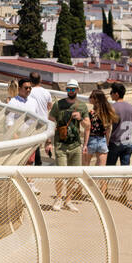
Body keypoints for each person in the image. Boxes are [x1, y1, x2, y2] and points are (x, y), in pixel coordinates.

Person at [44, 78, 89, 211]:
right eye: (68, 89)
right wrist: (48, 142)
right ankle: (58, 198)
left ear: (77, 90)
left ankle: (68, 200)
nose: (70, 91)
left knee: (73, 174)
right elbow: (50, 122)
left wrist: (80, 118)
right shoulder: (58, 105)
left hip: (75, 145)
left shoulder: (82, 106)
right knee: (60, 173)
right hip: (60, 145)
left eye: (73, 89)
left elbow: (87, 125)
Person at [106, 82, 132, 166]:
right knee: (125, 171)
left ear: (116, 94)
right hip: (128, 142)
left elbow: (108, 126)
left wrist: (106, 142)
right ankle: (125, 180)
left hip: (115, 142)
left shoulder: (113, 107)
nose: (111, 94)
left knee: (109, 169)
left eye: (111, 92)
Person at [84, 87, 116, 168]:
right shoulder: (107, 113)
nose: (89, 98)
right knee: (100, 170)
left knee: (85, 166)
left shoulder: (90, 113)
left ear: (96, 99)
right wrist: (107, 142)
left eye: (91, 97)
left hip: (91, 139)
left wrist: (85, 144)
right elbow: (108, 129)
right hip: (102, 140)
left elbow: (87, 129)